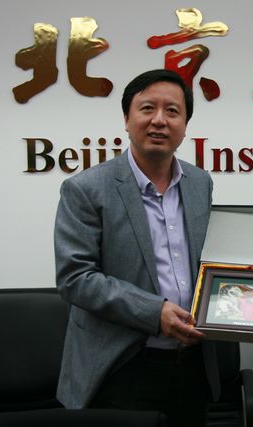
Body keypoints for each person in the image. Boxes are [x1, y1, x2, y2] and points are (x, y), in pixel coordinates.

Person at [54, 69, 218, 427]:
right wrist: (153, 312)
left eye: (172, 111)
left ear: (185, 126)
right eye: (147, 108)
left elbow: (211, 261)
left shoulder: (200, 183)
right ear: (127, 120)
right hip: (122, 366)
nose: (159, 120)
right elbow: (75, 278)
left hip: (192, 365)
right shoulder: (86, 189)